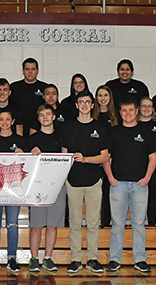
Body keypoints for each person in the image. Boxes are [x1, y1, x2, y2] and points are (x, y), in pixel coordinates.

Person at [103, 98, 156, 273]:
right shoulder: (113, 132)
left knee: (139, 223)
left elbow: (153, 158)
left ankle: (140, 259)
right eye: (124, 110)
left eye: (130, 110)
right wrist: (111, 178)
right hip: (118, 184)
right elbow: (106, 157)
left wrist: (147, 178)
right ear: (120, 113)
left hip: (140, 186)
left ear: (137, 111)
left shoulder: (147, 132)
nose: (127, 113)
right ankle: (114, 259)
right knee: (117, 223)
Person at [60, 90, 109, 273]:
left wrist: (86, 159)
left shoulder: (100, 127)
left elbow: (105, 156)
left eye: (88, 102)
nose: (84, 105)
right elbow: (64, 155)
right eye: (81, 102)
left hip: (94, 180)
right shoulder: (68, 127)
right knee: (74, 222)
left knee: (93, 222)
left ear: (92, 104)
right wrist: (65, 177)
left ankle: (93, 258)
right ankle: (75, 259)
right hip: (73, 181)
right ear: (76, 105)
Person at [0, 110, 26, 273]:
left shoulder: (20, 141)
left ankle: (12, 259)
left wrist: (23, 154)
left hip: (14, 190)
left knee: (13, 224)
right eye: (1, 119)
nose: (4, 122)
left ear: (13, 121)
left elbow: (28, 163)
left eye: (8, 119)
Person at [27, 104, 67, 272]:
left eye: (48, 114)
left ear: (54, 116)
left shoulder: (62, 137)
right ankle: (34, 258)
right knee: (36, 225)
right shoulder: (32, 140)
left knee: (52, 225)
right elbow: (26, 165)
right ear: (38, 119)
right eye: (41, 115)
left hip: (58, 186)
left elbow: (66, 159)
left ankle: (48, 258)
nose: (45, 117)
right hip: (37, 187)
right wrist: (31, 154)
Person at [92, 85, 118, 229]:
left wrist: (110, 157)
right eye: (100, 95)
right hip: (95, 161)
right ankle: (95, 223)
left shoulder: (115, 117)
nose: (103, 98)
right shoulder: (92, 117)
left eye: (105, 95)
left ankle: (107, 223)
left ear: (110, 98)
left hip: (111, 160)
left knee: (109, 192)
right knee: (96, 194)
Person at [139, 97, 156, 226]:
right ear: (138, 108)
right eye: (144, 106)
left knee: (152, 197)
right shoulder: (134, 124)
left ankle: (151, 224)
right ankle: (138, 224)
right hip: (137, 167)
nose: (146, 109)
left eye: (149, 106)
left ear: (153, 109)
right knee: (138, 199)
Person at [10, 58, 47, 136]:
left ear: (37, 70)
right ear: (23, 71)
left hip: (39, 130)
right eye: (27, 69)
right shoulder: (14, 87)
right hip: (17, 130)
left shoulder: (45, 88)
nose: (30, 72)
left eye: (33, 69)